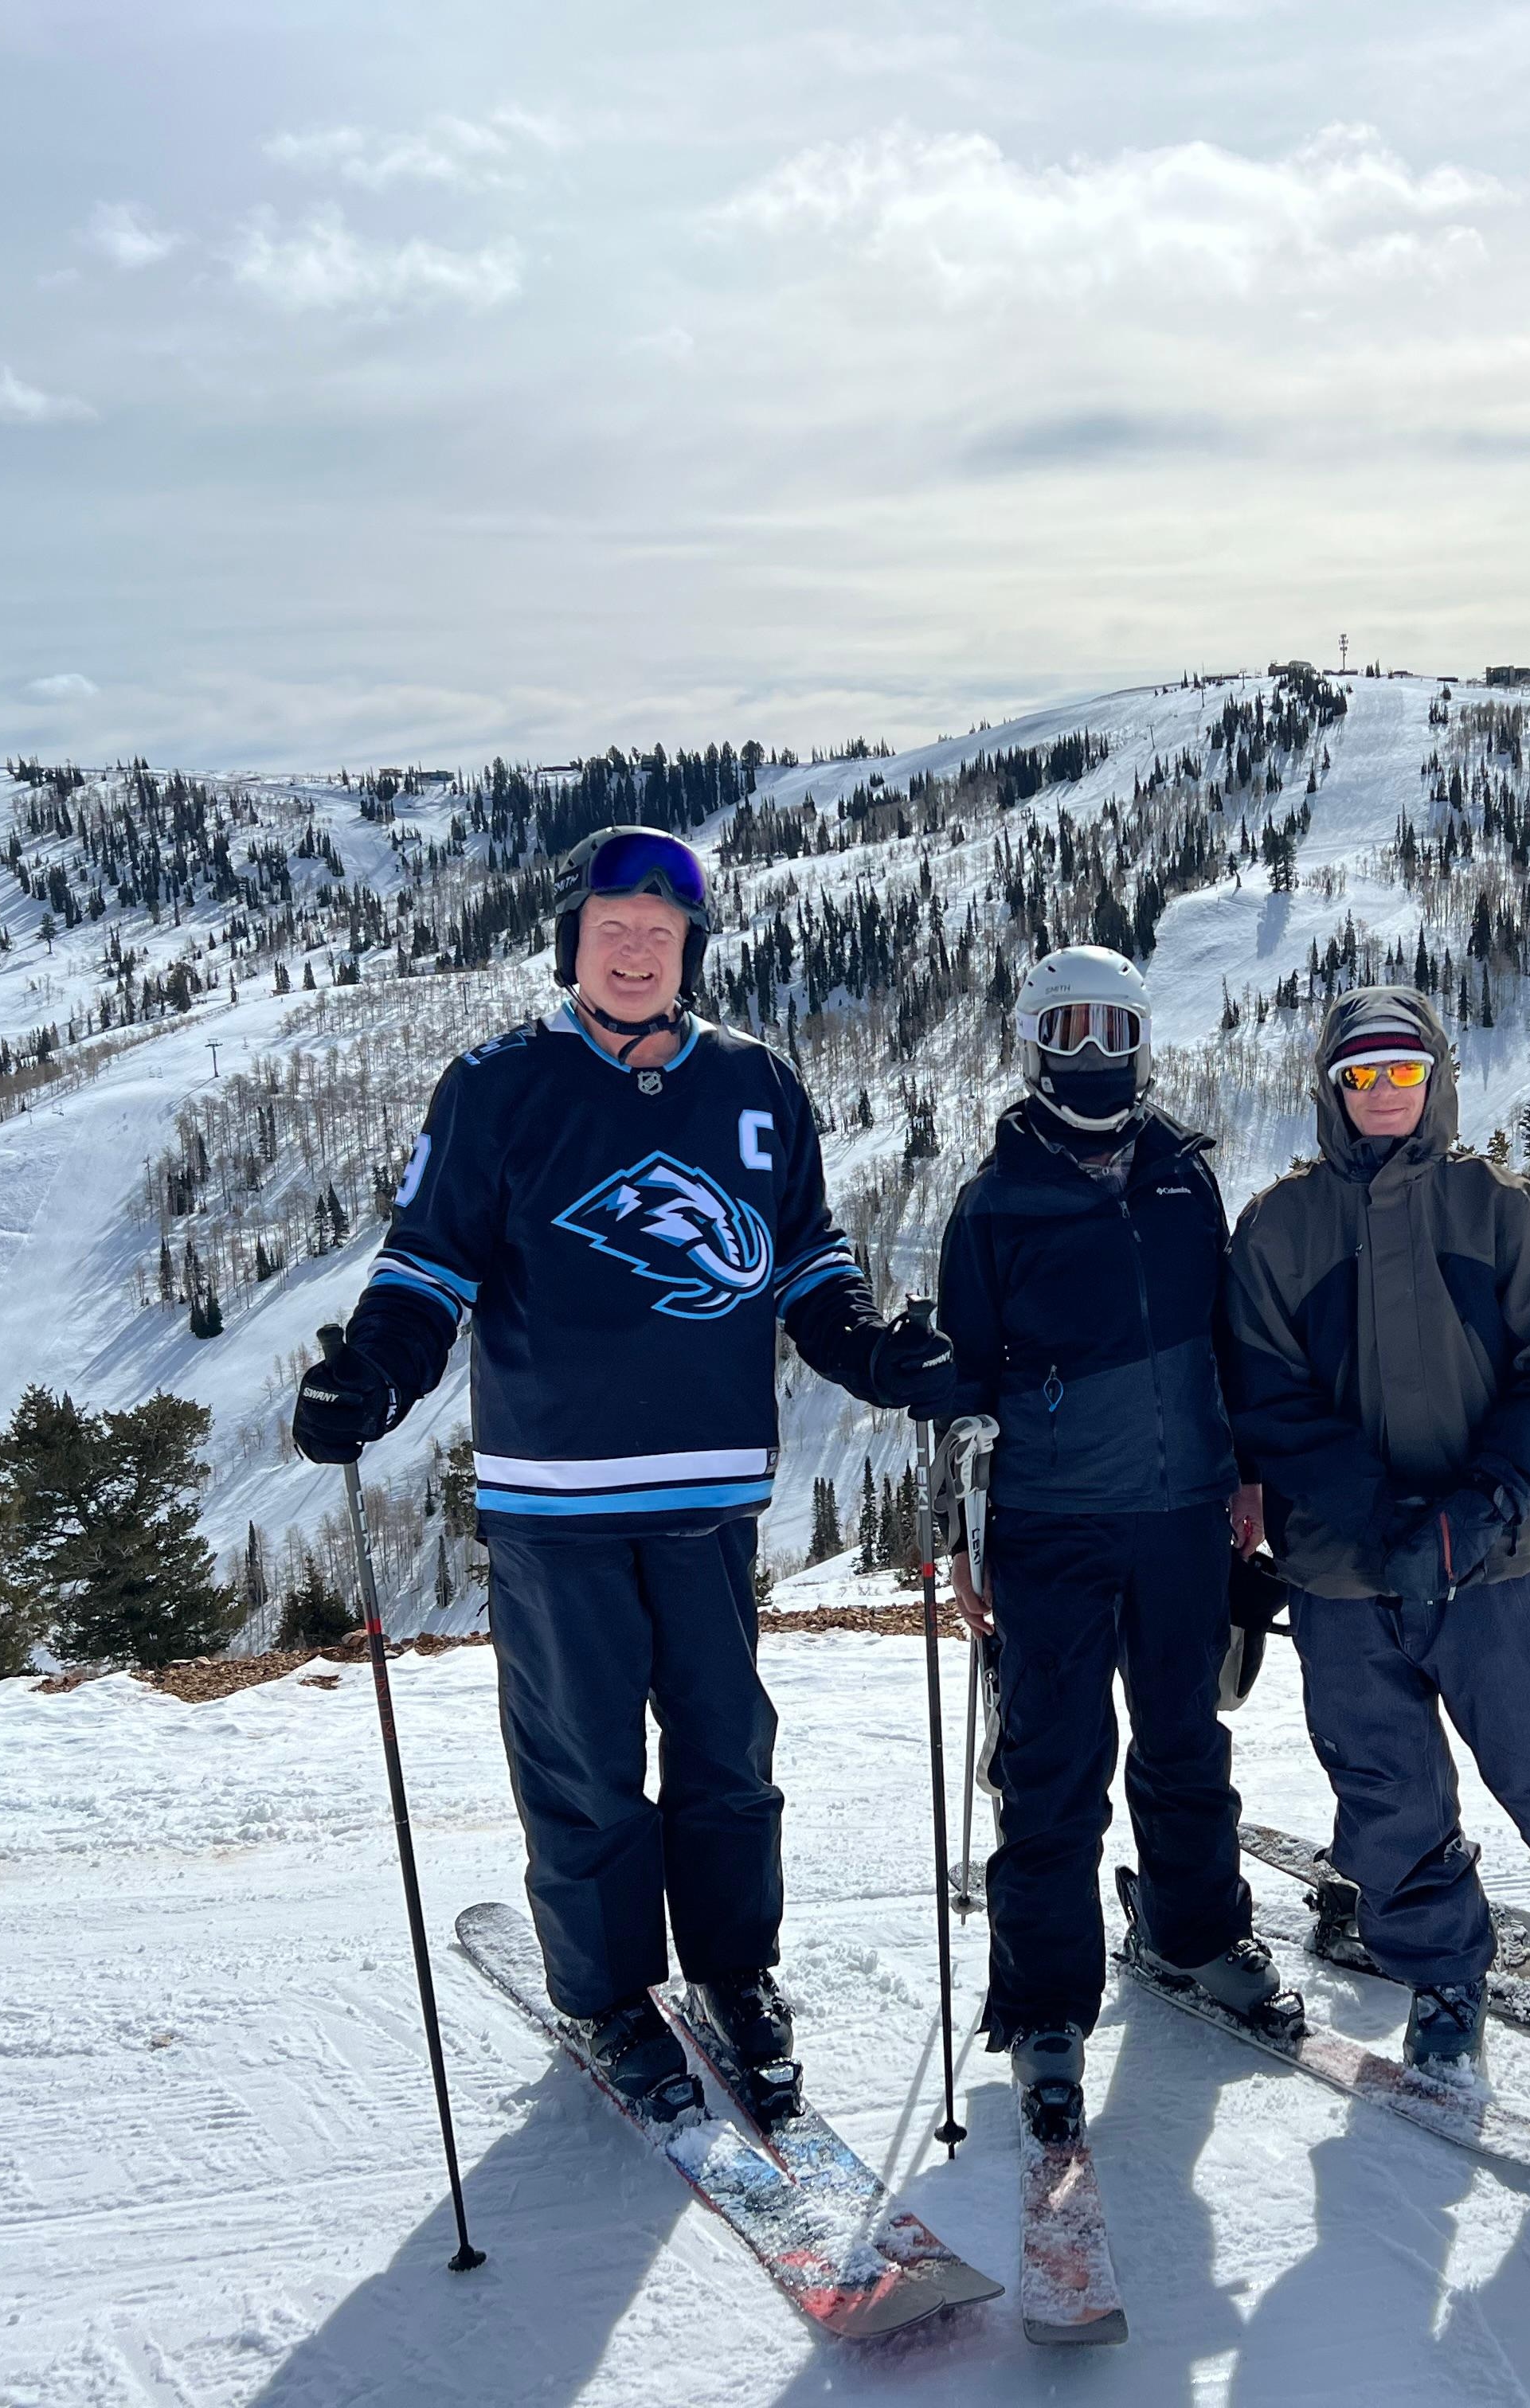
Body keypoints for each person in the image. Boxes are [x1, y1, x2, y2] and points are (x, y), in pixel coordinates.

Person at [293, 825, 952, 2122]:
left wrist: (872, 1353)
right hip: (558, 1501)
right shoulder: (496, 1088)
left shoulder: (759, 1088)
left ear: (691, 949)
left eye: (661, 933)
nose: (637, 951)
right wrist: (372, 1374)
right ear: (574, 947)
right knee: (584, 1765)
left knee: (726, 1754)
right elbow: (429, 1267)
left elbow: (805, 1259)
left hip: (708, 1498)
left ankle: (733, 1970)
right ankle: (605, 1995)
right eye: (613, 932)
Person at [1225, 987, 1530, 2070]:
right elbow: (1264, 1396)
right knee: (1386, 1792)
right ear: (1332, 1089)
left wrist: (1483, 1500)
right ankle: (1441, 1975)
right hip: (1344, 1577)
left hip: (1488, 1563)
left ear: (1437, 1077)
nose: (1384, 1092)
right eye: (1362, 1075)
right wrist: (1370, 1509)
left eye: (1404, 1071)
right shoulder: (1278, 1227)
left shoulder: (1502, 1212)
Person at [935, 945, 1298, 2144]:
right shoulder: (993, 1201)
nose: (1093, 1054)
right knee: (1051, 1762)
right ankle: (1045, 2006)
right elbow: (960, 1389)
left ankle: (1191, 1932)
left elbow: (1226, 1342)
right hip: (1048, 1520)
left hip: (1185, 1511)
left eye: (1114, 1029)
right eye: (1070, 1030)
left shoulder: (1186, 1180)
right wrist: (960, 1538)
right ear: (1035, 1042)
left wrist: (1246, 1473)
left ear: (1143, 1040)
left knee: (1187, 1738)